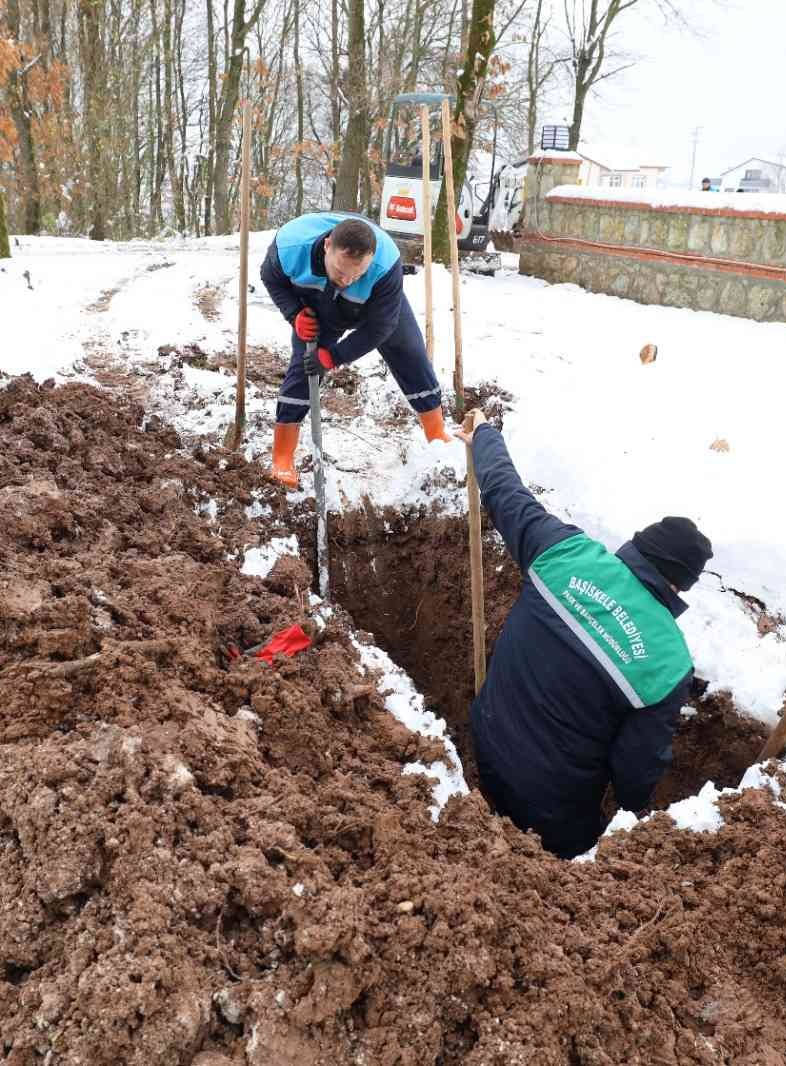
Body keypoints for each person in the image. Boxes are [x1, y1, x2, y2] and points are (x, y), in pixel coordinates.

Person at [454, 409, 713, 859]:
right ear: (678, 586)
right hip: (554, 804)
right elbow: (636, 770)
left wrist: (483, 434)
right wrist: (633, 823)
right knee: (559, 871)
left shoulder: (564, 552)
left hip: (487, 740)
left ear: (639, 546)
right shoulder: (669, 664)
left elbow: (503, 489)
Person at [260, 212, 448, 488]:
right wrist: (294, 314)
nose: (347, 280)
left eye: (356, 274)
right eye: (340, 271)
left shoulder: (385, 264)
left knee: (409, 351)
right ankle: (282, 459)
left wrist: (333, 357)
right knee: (304, 367)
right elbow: (270, 277)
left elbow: (380, 327)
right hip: (315, 301)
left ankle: (437, 433)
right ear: (327, 246)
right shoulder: (290, 246)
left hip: (368, 305)